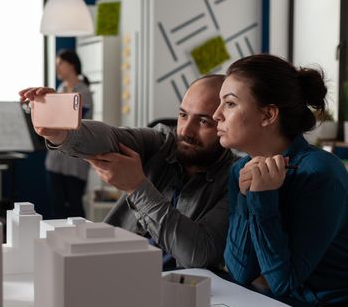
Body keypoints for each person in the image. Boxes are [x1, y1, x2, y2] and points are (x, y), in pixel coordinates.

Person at [20, 74, 236, 269]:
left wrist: (137, 187)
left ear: (225, 123)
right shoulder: (162, 142)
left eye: (204, 121)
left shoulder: (235, 179)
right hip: (113, 272)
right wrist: (62, 132)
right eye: (182, 115)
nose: (186, 130)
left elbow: (198, 255)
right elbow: (111, 138)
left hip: (182, 293)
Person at [212, 54, 348, 306]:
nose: (216, 115)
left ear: (268, 115)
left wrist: (262, 198)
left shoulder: (321, 173)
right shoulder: (240, 170)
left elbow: (283, 282)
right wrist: (245, 199)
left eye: (229, 104)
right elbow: (240, 273)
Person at [44, 49, 93, 219]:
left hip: (75, 161)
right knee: (56, 207)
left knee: (74, 208)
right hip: (55, 160)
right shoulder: (59, 89)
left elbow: (74, 123)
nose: (57, 68)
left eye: (60, 64)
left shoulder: (83, 92)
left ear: (71, 64)